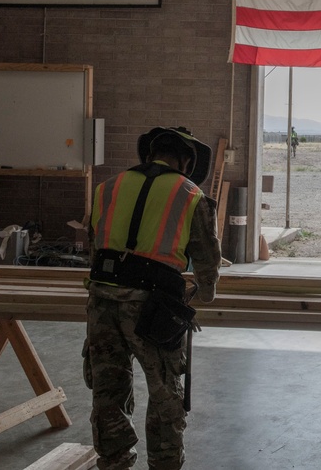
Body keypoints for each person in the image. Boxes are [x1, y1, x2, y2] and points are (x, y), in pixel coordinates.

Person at [84, 126, 222, 470]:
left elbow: (94, 247)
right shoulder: (191, 194)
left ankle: (113, 462)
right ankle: (163, 464)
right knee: (164, 396)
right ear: (187, 161)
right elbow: (207, 259)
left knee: (107, 392)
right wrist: (205, 293)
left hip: (101, 302)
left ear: (149, 154)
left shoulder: (107, 188)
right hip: (153, 307)